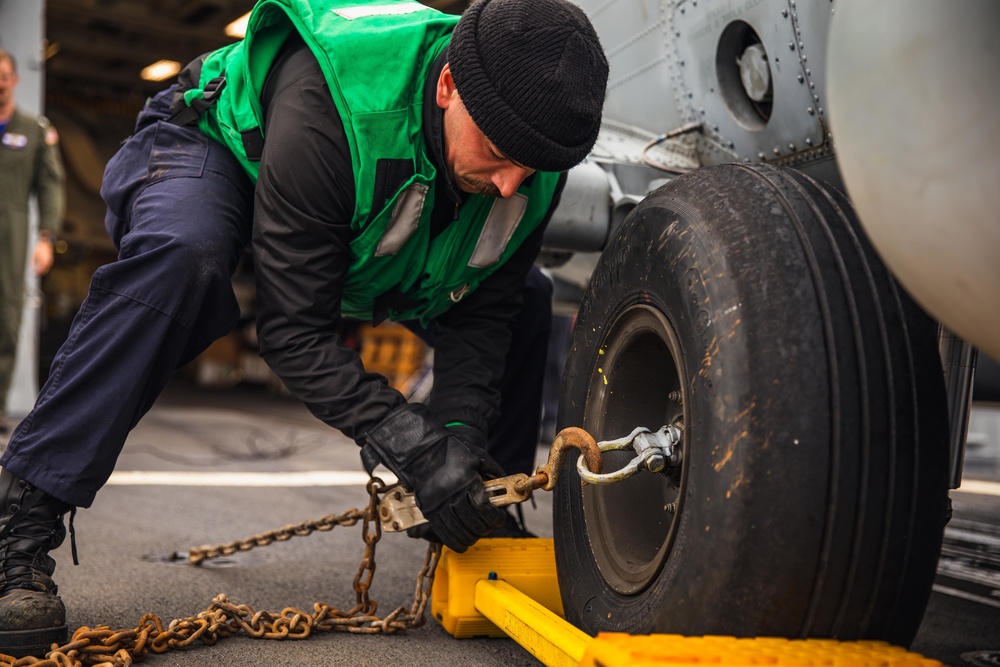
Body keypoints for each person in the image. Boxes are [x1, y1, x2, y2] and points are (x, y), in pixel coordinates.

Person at [0, 0, 608, 656]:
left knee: (526, 299)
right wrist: (413, 445)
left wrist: (456, 447)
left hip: (367, 216)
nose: (513, 181)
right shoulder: (336, 101)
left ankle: (483, 513)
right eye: (496, 152)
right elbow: (294, 330)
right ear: (447, 86)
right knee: (184, 258)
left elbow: (483, 314)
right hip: (221, 145)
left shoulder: (528, 163)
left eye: (532, 166)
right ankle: (20, 524)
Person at [0, 48, 65, 436]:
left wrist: (46, 237)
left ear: (15, 80)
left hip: (12, 228)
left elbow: (50, 185)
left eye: (4, 75)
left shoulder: (34, 129)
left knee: (6, 318)